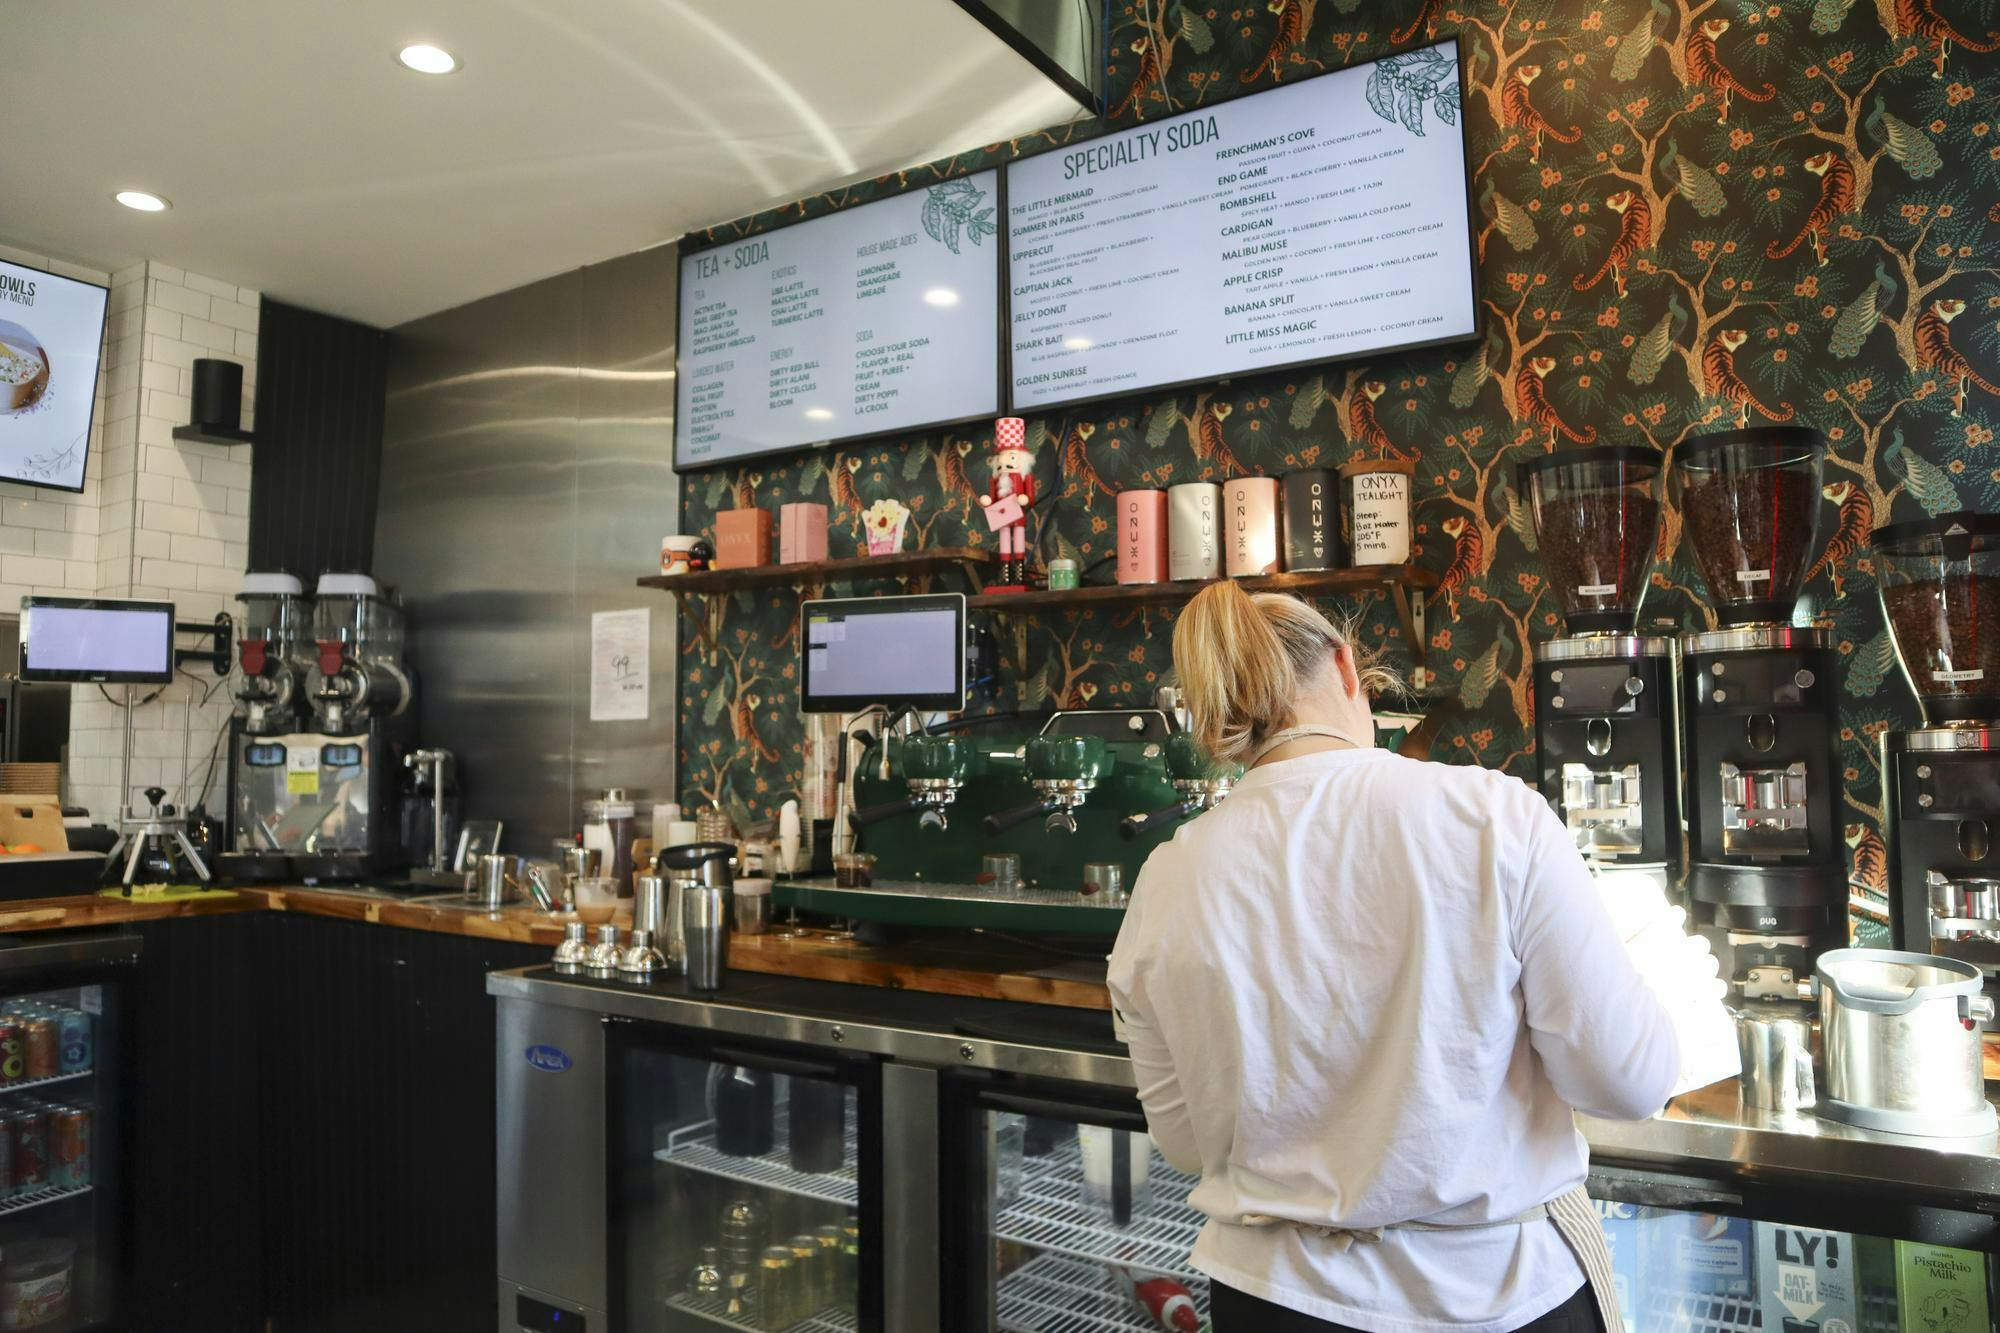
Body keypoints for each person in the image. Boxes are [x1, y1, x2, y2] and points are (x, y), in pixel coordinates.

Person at [1108, 582, 1714, 1333]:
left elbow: (1187, 1143)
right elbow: (1630, 1081)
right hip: (1497, 1300)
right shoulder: (1495, 816)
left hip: (1273, 1304)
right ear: (1346, 667)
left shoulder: (1166, 877)